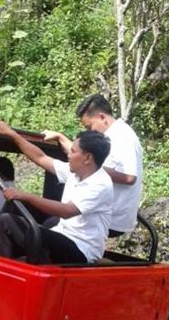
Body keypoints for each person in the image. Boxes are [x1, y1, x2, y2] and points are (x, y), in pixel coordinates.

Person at [0, 121, 113, 264]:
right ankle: (8, 269)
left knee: (16, 226)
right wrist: (12, 134)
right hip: (62, 235)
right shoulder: (75, 172)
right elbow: (41, 157)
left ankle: (7, 274)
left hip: (81, 250)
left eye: (73, 152)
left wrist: (26, 196)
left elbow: (67, 211)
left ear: (87, 158)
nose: (69, 155)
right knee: (12, 222)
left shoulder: (100, 183)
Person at [42, 94, 143, 236]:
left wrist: (92, 170)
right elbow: (83, 154)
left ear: (102, 117)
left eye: (89, 127)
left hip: (111, 217)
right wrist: (61, 137)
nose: (89, 132)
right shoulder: (109, 136)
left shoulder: (123, 136)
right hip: (98, 210)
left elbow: (130, 177)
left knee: (48, 226)